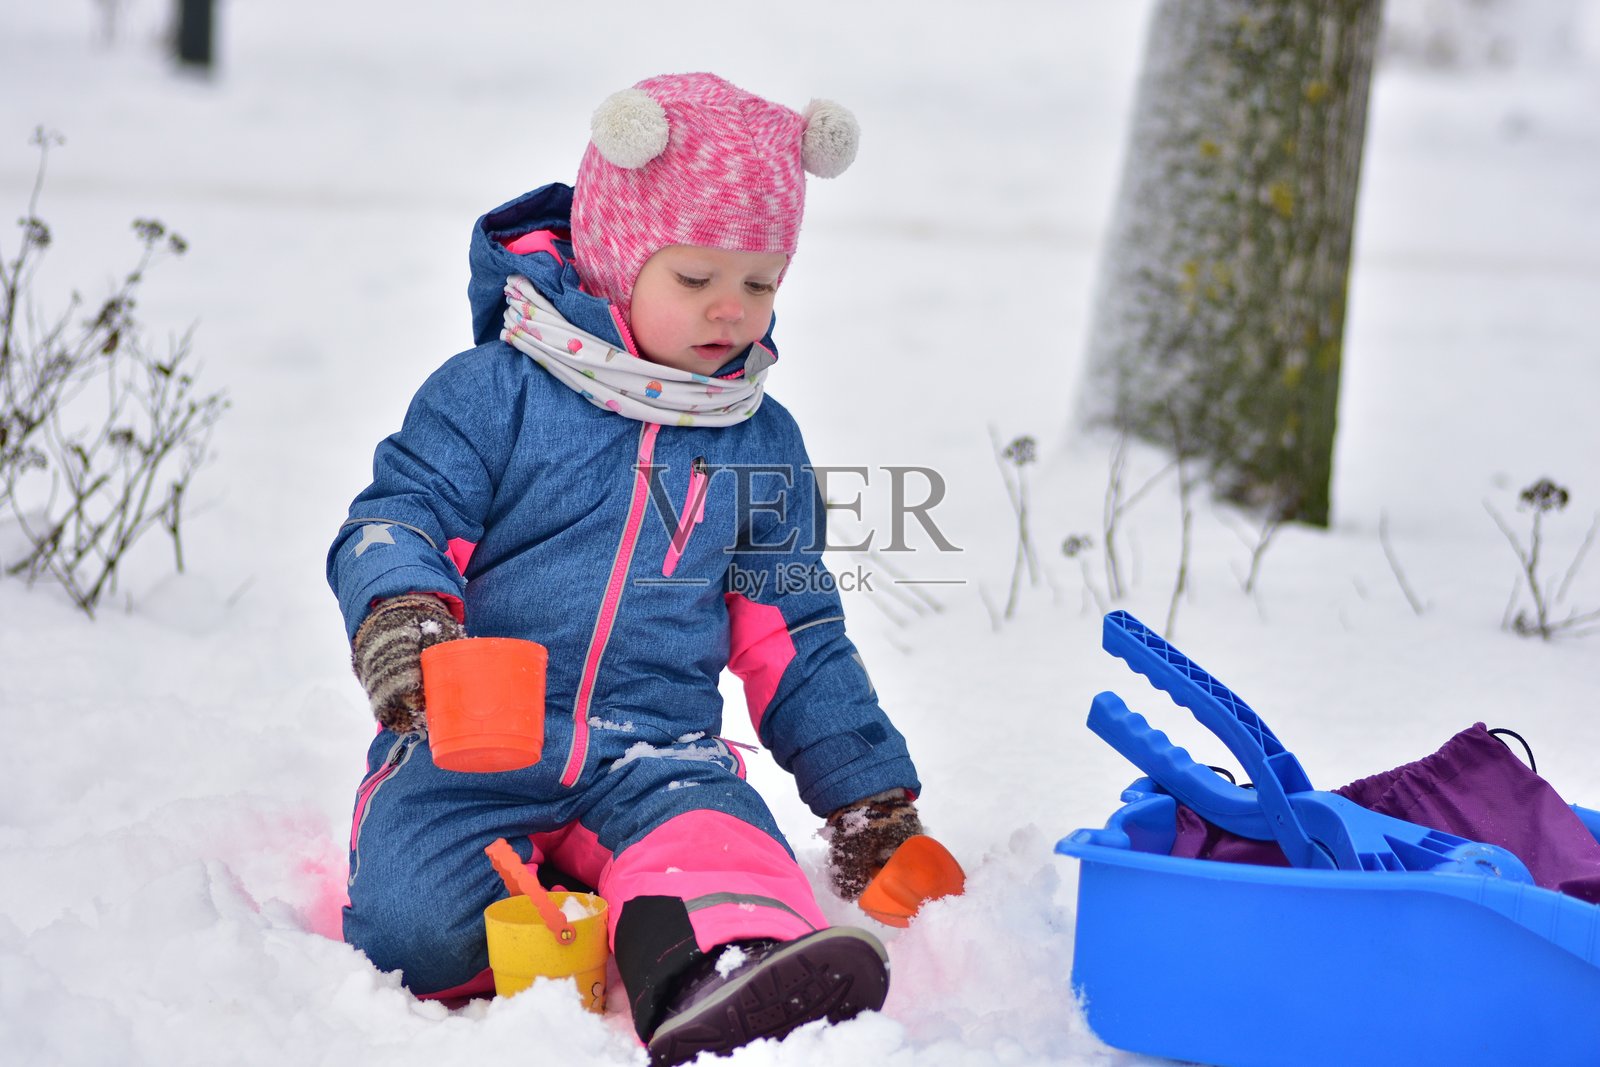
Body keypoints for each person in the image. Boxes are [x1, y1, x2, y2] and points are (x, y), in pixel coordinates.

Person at [327, 72, 928, 1065]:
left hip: (657, 753)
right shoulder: (493, 395)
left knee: (726, 859)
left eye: (761, 281)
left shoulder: (755, 440)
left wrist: (864, 795)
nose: (731, 310)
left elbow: (797, 634)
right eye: (694, 279)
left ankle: (715, 968)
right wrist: (403, 617)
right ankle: (601, 905)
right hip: (476, 748)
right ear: (616, 258)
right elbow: (397, 515)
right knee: (414, 933)